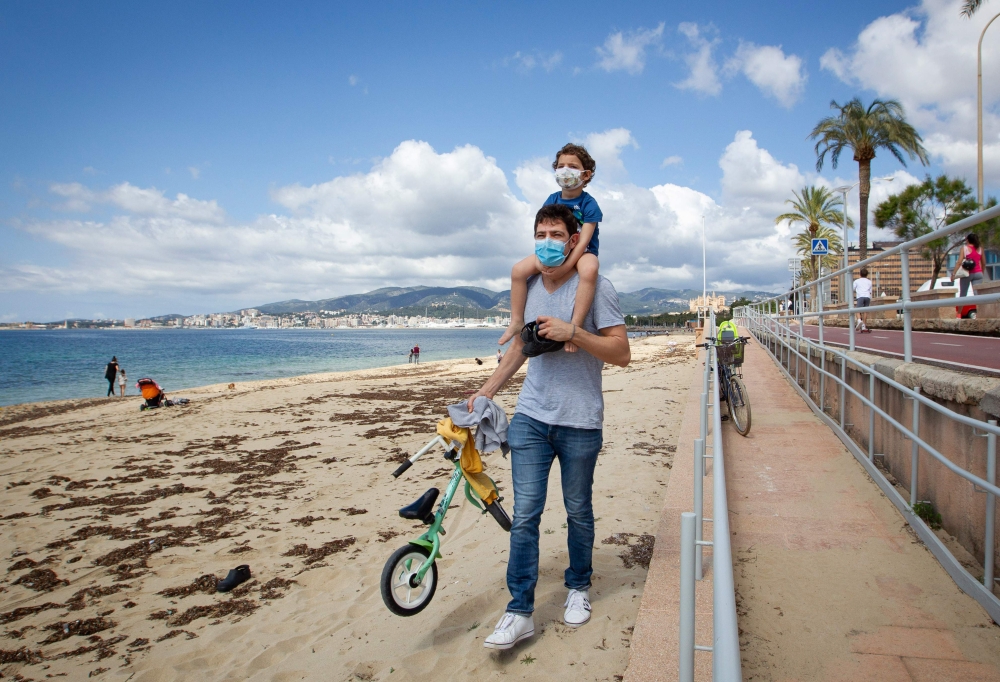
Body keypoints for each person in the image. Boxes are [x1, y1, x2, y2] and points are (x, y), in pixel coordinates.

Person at [468, 203, 630, 651]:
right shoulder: (532, 285)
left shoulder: (597, 287)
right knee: (526, 518)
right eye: (540, 233)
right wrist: (486, 393)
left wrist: (573, 333)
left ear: (575, 239)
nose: (547, 242)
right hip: (532, 419)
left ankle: (578, 586)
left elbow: (621, 353)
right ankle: (519, 611)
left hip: (580, 421)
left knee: (578, 511)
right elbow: (521, 348)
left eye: (556, 234)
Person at [498, 143, 603, 353]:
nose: (565, 170)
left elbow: (583, 240)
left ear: (586, 175)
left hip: (583, 251)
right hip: (554, 248)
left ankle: (575, 324)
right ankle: (517, 320)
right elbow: (542, 231)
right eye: (561, 166)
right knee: (518, 270)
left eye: (572, 166)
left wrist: (565, 267)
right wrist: (540, 261)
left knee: (590, 270)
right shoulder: (552, 199)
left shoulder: (589, 204)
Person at [953, 233, 984, 298]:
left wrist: (953, 274)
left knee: (963, 294)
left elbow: (959, 262)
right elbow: (983, 263)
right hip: (978, 273)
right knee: (978, 295)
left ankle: (960, 308)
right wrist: (982, 272)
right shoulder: (980, 249)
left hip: (967, 273)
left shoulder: (964, 248)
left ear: (967, 240)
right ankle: (979, 308)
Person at [853, 267, 873, 333]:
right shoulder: (869, 282)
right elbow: (870, 291)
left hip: (860, 296)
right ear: (867, 274)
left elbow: (853, 288)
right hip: (867, 296)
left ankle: (859, 320)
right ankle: (864, 326)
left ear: (860, 274)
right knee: (865, 311)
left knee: (857, 310)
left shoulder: (856, 281)